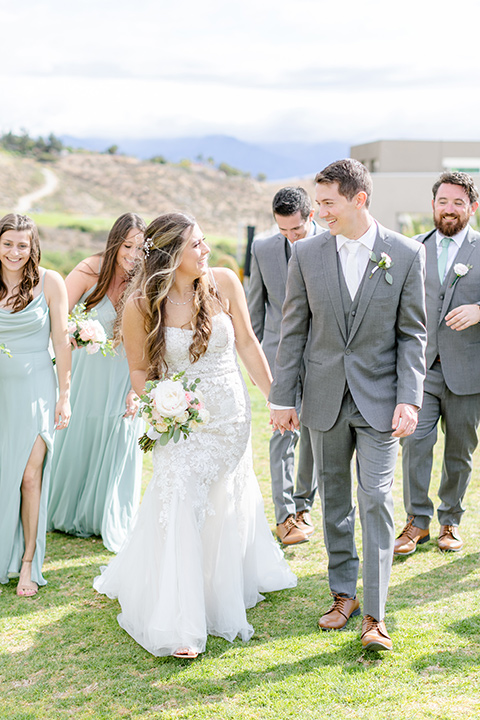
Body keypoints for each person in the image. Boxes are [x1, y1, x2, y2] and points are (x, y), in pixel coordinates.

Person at [93, 212, 296, 659]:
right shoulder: (142, 303)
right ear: (170, 255)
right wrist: (165, 408)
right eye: (196, 245)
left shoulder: (223, 280)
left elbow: (246, 342)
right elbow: (140, 371)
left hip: (230, 416)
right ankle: (180, 619)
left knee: (223, 500)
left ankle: (216, 584)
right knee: (180, 498)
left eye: (204, 241)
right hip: (181, 422)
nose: (206, 250)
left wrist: (276, 400)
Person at [270, 159, 427, 651]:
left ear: (359, 199)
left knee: (376, 499)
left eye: (328, 203)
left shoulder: (403, 255)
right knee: (334, 503)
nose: (321, 212)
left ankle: (376, 615)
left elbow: (413, 334)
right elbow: (294, 330)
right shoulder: (308, 255)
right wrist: (281, 397)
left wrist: (410, 398)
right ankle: (343, 594)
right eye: (318, 203)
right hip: (322, 398)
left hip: (381, 401)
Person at [48, 213, 146, 552]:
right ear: (115, 242)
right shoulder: (90, 269)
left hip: (125, 372)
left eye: (140, 247)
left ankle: (108, 514)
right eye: (128, 245)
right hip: (88, 373)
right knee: (83, 436)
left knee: (120, 436)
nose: (133, 254)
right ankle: (73, 511)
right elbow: (58, 314)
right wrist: (73, 333)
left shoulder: (146, 279)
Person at [396, 172, 480, 556]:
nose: (449, 209)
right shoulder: (412, 248)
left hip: (468, 370)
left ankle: (451, 520)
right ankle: (417, 521)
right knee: (416, 443)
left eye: (458, 203)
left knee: (459, 452)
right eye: (443, 201)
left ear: (472, 208)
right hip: (422, 369)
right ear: (433, 205)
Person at [0, 213, 71, 597]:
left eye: (22, 245)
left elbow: (61, 341)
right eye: (7, 243)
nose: (14, 252)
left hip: (36, 389)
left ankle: (27, 563)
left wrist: (65, 394)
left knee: (30, 475)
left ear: (33, 248)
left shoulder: (51, 282)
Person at [248, 187, 320, 545]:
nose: (291, 238)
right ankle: (285, 516)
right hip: (278, 356)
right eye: (283, 232)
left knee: (315, 434)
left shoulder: (334, 242)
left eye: (297, 230)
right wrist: (253, 363)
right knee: (282, 433)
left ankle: (305, 505)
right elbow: (255, 311)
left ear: (311, 216)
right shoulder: (261, 248)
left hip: (324, 356)